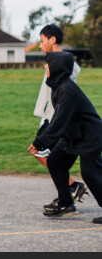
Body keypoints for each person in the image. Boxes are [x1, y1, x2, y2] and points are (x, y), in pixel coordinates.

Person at [31, 51, 102, 222]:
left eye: (47, 64)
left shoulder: (67, 89)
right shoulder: (59, 86)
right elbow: (56, 117)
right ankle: (66, 203)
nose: (45, 67)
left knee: (90, 172)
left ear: (57, 67)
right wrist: (42, 135)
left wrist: (41, 142)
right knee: (55, 162)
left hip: (89, 135)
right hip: (73, 135)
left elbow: (60, 119)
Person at [29, 25, 87, 207]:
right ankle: (68, 192)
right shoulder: (54, 61)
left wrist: (54, 117)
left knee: (41, 152)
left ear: (52, 40)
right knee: (51, 158)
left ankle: (71, 188)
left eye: (43, 40)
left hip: (53, 116)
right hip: (48, 115)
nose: (40, 45)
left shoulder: (67, 65)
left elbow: (64, 94)